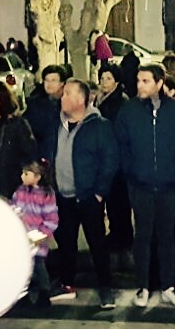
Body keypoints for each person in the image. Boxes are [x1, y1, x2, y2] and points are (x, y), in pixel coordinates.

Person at [113, 63, 175, 308]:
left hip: (170, 185)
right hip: (139, 185)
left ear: (160, 83)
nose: (139, 85)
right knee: (142, 235)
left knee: (167, 236)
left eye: (145, 81)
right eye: (138, 80)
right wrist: (131, 170)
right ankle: (142, 286)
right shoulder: (128, 111)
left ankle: (168, 286)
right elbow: (121, 145)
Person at [38, 78, 119, 308]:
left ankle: (106, 287)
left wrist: (99, 193)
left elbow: (110, 160)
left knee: (97, 242)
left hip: (88, 196)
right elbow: (47, 152)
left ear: (82, 99)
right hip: (63, 196)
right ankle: (66, 283)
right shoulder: (57, 124)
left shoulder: (99, 126)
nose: (62, 98)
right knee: (66, 242)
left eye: (68, 94)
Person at [11, 161, 60, 305]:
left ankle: (44, 293)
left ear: (37, 176)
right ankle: (24, 294)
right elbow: (14, 208)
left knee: (38, 265)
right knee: (24, 265)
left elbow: (51, 218)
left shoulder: (46, 194)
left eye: (26, 173)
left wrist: (42, 234)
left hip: (37, 237)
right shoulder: (19, 191)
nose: (22, 176)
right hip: (23, 236)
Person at [23, 65, 68, 145]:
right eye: (46, 80)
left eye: (53, 80)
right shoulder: (34, 103)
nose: (49, 84)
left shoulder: (69, 103)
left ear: (62, 83)